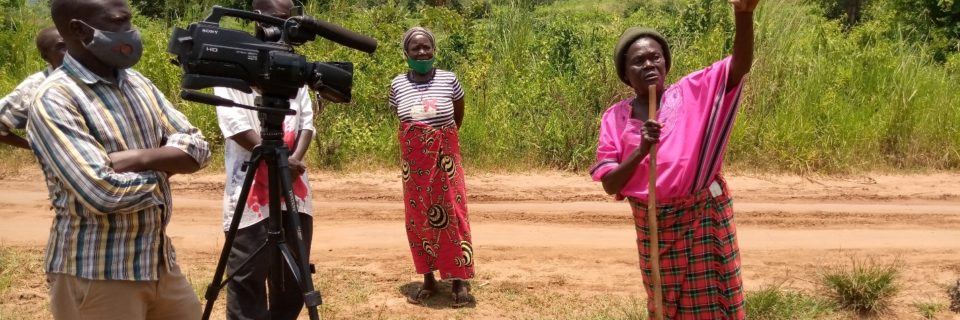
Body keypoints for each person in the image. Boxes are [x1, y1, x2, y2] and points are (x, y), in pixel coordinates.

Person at [28, 0, 211, 319]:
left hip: (159, 266)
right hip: (98, 274)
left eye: (129, 20)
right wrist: (167, 166)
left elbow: (198, 147)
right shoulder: (55, 100)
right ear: (78, 29)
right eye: (118, 22)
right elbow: (103, 191)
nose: (130, 31)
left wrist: (135, 158)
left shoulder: (139, 84)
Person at [590, 0, 758, 318]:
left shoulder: (694, 91)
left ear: (666, 63)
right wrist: (640, 150)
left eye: (656, 57)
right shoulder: (615, 118)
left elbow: (739, 66)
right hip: (655, 226)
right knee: (665, 304)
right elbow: (611, 185)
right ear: (626, 75)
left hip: (703, 219)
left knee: (714, 303)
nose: (649, 64)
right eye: (638, 61)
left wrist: (744, 15)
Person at [213, 0, 316, 318]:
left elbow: (307, 122)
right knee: (247, 279)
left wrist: (292, 160)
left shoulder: (293, 62)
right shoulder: (231, 62)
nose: (284, 27)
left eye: (289, 20)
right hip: (251, 194)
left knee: (295, 281)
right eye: (277, 20)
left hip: (293, 192)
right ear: (257, 19)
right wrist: (277, 158)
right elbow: (234, 126)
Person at [389, 26, 474, 308]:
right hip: (414, 167)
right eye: (416, 48)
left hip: (445, 161)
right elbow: (402, 122)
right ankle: (428, 279)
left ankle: (459, 281)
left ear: (434, 50)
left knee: (454, 216)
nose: (422, 52)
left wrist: (438, 146)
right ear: (407, 53)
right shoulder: (397, 85)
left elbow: (456, 119)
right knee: (419, 219)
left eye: (426, 47)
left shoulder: (450, 80)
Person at [0, 26, 65, 149]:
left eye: (72, 43)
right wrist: (36, 148)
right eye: (61, 47)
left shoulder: (99, 73)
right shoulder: (37, 85)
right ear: (46, 57)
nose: (71, 50)